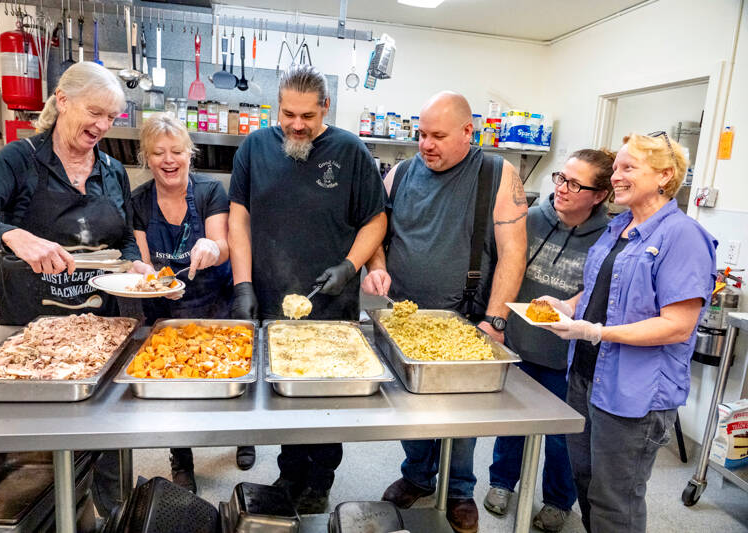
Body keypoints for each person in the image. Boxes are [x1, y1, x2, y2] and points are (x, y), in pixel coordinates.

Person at [0, 62, 149, 517]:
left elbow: (120, 237)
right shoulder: (19, 160)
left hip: (104, 332)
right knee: (41, 464)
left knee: (109, 446)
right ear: (62, 100)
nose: (102, 126)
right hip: (37, 337)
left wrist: (133, 263)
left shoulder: (113, 171)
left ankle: (114, 516)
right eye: (95, 112)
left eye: (112, 118)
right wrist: (11, 235)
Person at [362, 91, 528, 533]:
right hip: (402, 317)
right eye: (421, 134)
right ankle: (417, 475)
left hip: (467, 316)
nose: (426, 144)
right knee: (408, 404)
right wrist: (376, 268)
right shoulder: (399, 173)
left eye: (438, 135)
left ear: (467, 132)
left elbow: (514, 252)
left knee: (463, 414)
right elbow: (377, 231)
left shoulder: (496, 174)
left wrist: (496, 320)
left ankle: (458, 489)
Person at [539, 132, 717, 533]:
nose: (615, 176)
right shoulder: (619, 226)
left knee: (615, 499)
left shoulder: (682, 236)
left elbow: (677, 324)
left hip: (635, 393)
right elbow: (610, 286)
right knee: (585, 482)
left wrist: (597, 331)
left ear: (665, 175)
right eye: (616, 167)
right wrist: (569, 307)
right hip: (587, 377)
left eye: (628, 167)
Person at [228, 65, 387, 513]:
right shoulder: (256, 148)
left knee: (330, 396)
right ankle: (289, 470)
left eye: (307, 116)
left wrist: (350, 266)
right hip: (272, 292)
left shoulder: (351, 151)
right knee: (284, 393)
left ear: (325, 109)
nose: (297, 125)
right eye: (287, 114)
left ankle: (321, 479)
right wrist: (242, 282)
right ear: (277, 107)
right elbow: (238, 216)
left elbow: (376, 217)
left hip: (331, 298)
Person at [483, 149, 614, 532]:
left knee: (562, 439)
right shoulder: (530, 218)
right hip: (519, 345)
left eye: (575, 184)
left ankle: (558, 500)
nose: (562, 188)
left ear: (600, 195)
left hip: (566, 356)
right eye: (560, 178)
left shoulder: (608, 237)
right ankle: (501, 483)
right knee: (510, 425)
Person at [131, 113, 234, 493]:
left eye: (177, 151)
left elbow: (223, 248)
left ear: (191, 154)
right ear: (147, 157)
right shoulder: (139, 201)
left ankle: (243, 437)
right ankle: (182, 457)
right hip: (167, 307)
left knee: (226, 373)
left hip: (213, 300)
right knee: (174, 384)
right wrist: (154, 283)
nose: (168, 160)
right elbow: (142, 262)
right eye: (158, 153)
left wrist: (211, 246)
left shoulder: (210, 191)